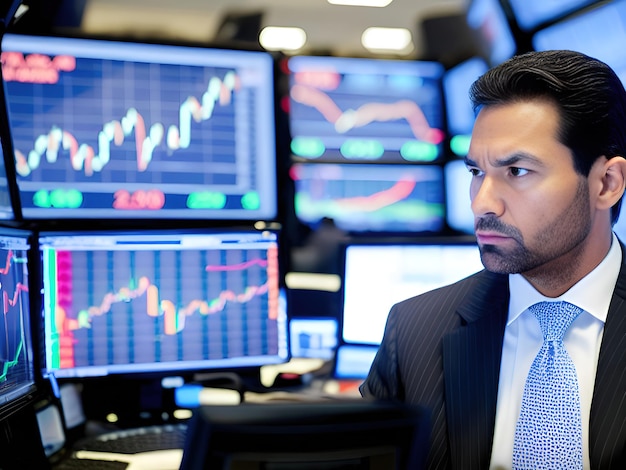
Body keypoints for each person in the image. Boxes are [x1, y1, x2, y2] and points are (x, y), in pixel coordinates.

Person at [360, 49, 626, 470]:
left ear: (606, 183)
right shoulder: (414, 332)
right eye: (476, 173)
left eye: (517, 171)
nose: (482, 203)